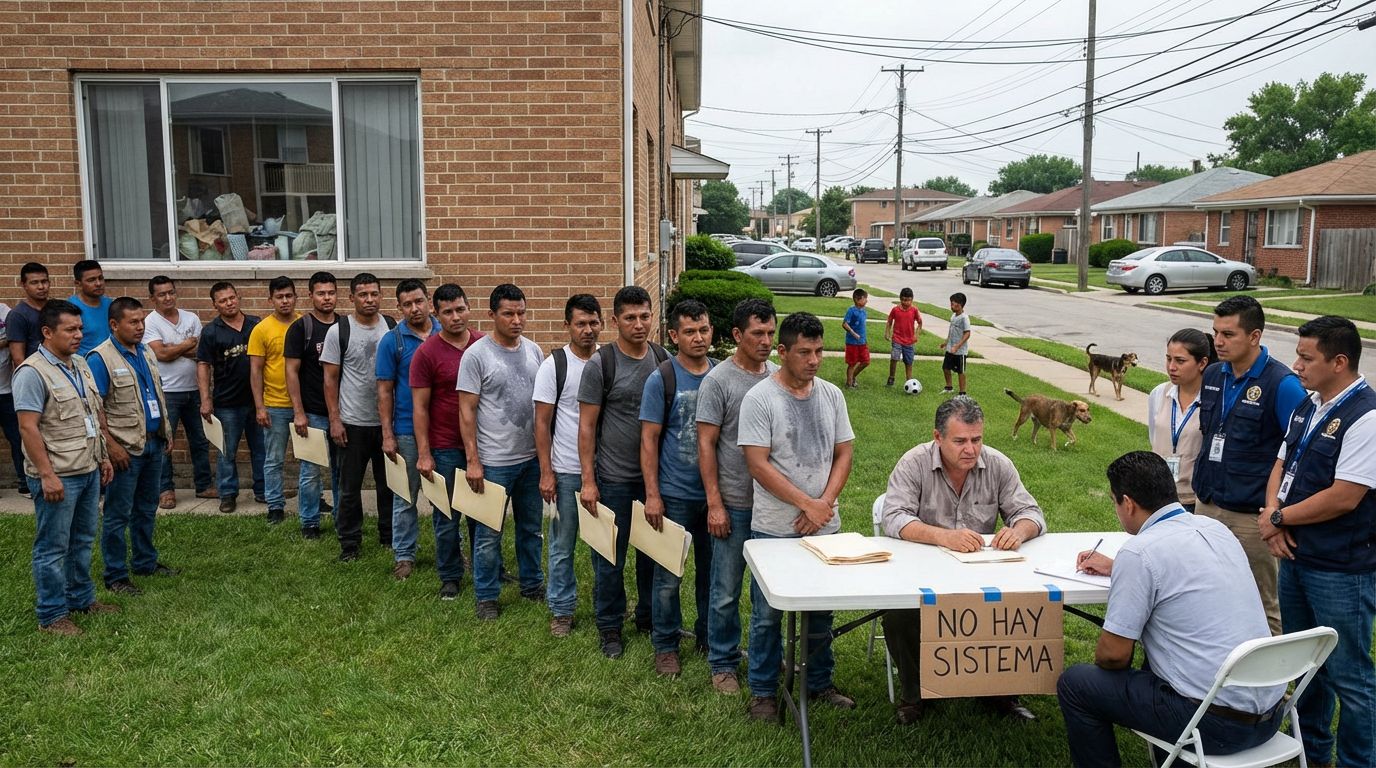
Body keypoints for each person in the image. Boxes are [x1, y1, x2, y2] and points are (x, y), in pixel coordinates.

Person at [1058, 451, 1284, 767]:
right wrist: (1119, 567)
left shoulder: (1139, 552)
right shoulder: (1215, 529)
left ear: (1128, 503)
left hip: (1214, 725)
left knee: (1076, 684)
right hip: (1271, 715)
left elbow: (1113, 656)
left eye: (1114, 502)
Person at [878, 396, 1046, 723]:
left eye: (976, 439)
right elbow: (894, 517)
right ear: (937, 437)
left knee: (1020, 604)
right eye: (960, 441)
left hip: (980, 573)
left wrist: (1019, 531)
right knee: (900, 616)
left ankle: (1001, 692)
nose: (970, 449)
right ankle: (915, 694)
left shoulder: (998, 464)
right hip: (921, 572)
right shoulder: (913, 463)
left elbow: (1030, 512)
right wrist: (943, 536)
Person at [1260, 316, 1376, 768]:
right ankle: (1312, 752)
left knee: (1350, 677)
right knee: (1307, 669)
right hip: (1296, 556)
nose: (1297, 366)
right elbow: (1280, 463)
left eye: (1307, 358)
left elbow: (1345, 496)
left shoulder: (1366, 417)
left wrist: (1278, 518)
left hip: (1340, 569)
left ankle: (1357, 761)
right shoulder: (1309, 405)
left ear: (1339, 362)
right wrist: (1274, 516)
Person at [738, 311, 855, 721]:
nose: (814, 360)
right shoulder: (760, 399)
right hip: (774, 528)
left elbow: (844, 452)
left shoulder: (832, 395)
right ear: (783, 351)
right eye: (805, 352)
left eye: (819, 351)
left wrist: (823, 504)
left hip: (824, 526)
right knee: (767, 614)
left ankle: (818, 682)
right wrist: (808, 504)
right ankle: (763, 692)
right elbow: (757, 464)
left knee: (821, 611)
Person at [1193, 295, 1307, 634]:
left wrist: (1278, 512)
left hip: (1251, 516)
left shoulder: (1282, 384)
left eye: (1228, 334)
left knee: (1261, 601)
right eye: (1216, 332)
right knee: (1207, 593)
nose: (1218, 341)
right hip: (1208, 503)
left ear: (1255, 336)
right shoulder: (1213, 374)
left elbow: (1300, 453)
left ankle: (1273, 668)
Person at [14, 300, 116, 635]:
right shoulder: (32, 372)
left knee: (83, 539)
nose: (78, 335)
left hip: (87, 467)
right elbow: (28, 427)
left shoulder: (80, 363)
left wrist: (103, 457)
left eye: (80, 329)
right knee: (53, 547)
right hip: (58, 475)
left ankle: (81, 599)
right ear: (47, 332)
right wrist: (47, 475)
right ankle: (52, 614)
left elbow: (93, 413)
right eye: (70, 330)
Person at [578, 286, 667, 658]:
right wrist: (588, 481)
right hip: (613, 479)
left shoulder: (662, 359)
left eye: (644, 316)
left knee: (652, 555)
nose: (639, 324)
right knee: (610, 559)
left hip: (653, 481)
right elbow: (586, 427)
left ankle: (648, 617)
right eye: (630, 318)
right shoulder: (602, 364)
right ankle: (610, 626)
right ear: (615, 320)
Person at [699, 298, 777, 694]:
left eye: (770, 333)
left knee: (769, 592)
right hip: (733, 504)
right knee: (725, 591)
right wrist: (715, 503)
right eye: (757, 333)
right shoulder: (719, 381)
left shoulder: (778, 376)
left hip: (773, 508)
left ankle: (767, 658)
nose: (765, 341)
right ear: (736, 335)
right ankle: (723, 662)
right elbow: (706, 445)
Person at [457, 283, 546, 619]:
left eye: (521, 313)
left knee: (531, 528)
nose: (516, 320)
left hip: (530, 460)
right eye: (508, 314)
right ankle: (486, 596)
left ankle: (532, 584)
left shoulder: (534, 351)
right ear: (492, 314)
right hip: (494, 462)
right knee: (488, 533)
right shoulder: (476, 356)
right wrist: (473, 460)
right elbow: (466, 411)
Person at [640, 299, 716, 677]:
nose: (698, 338)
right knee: (668, 578)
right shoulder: (662, 379)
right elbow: (648, 440)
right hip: (674, 495)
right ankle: (666, 645)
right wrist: (653, 495)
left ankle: (708, 636)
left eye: (703, 330)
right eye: (689, 331)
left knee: (712, 574)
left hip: (714, 498)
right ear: (673, 335)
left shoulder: (720, 376)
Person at [87, 297, 175, 596]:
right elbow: (96, 407)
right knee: (117, 514)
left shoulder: (146, 351)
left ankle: (145, 562)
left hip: (152, 444)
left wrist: (165, 431)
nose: (140, 327)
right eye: (133, 322)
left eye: (142, 321)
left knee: (146, 508)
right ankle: (115, 575)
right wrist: (111, 446)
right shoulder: (100, 358)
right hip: (125, 450)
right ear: (114, 324)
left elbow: (155, 394)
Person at [533, 293, 602, 636]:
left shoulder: (607, 361)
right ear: (567, 325)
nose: (588, 330)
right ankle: (561, 609)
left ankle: (607, 607)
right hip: (566, 470)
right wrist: (547, 472)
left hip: (606, 471)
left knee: (604, 545)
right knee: (562, 545)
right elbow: (541, 423)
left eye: (593, 323)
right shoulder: (554, 365)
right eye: (580, 324)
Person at [411, 283, 485, 599]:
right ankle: (450, 576)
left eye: (460, 309)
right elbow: (419, 408)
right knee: (446, 517)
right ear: (436, 314)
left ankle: (485, 569)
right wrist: (424, 453)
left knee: (481, 515)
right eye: (448, 312)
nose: (456, 317)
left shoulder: (483, 345)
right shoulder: (426, 353)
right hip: (444, 447)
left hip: (482, 446)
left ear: (469, 308)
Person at [322, 273, 395, 561]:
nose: (369, 300)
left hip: (386, 424)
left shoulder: (392, 327)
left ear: (381, 296)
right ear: (352, 297)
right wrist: (335, 420)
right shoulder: (338, 331)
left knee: (388, 486)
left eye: (374, 294)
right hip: (352, 423)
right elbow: (330, 380)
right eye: (363, 295)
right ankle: (349, 543)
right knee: (349, 489)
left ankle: (389, 537)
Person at [377, 279, 436, 580]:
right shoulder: (392, 341)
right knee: (405, 497)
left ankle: (452, 551)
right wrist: (387, 435)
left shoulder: (445, 332)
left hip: (443, 432)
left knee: (447, 498)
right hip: (406, 431)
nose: (415, 308)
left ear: (429, 301)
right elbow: (384, 391)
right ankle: (404, 555)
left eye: (419, 301)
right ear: (399, 307)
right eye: (407, 304)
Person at [142, 275, 214, 509]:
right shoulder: (150, 322)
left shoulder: (191, 318)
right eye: (162, 294)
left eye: (171, 292)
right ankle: (165, 490)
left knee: (200, 440)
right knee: (165, 442)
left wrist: (174, 348)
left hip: (194, 389)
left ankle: (204, 485)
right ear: (152, 298)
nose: (168, 297)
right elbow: (160, 354)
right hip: (166, 391)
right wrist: (186, 344)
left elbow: (202, 353)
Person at [196, 282, 265, 514]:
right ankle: (227, 494)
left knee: (261, 448)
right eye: (223, 300)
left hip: (258, 401)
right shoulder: (211, 331)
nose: (229, 303)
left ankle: (263, 490)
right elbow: (203, 365)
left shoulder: (256, 324)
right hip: (227, 403)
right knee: (226, 450)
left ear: (238, 297)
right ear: (215, 305)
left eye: (232, 298)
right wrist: (206, 399)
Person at [284, 271, 341, 539]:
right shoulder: (301, 328)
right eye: (321, 293)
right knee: (310, 471)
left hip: (342, 413)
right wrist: (298, 412)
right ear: (311, 296)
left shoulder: (345, 326)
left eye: (331, 293)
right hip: (312, 412)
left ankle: (343, 519)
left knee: (342, 470)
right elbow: (291, 372)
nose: (326, 298)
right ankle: (309, 522)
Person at [248, 276, 300, 526]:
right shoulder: (262, 329)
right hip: (275, 404)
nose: (285, 301)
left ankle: (313, 498)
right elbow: (255, 370)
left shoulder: (303, 324)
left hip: (304, 405)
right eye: (279, 297)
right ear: (271, 300)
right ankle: (275, 505)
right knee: (274, 459)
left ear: (295, 297)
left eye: (289, 296)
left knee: (311, 458)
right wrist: (260, 407)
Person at [1146, 329, 1214, 512]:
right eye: (1169, 359)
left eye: (1180, 361)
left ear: (1202, 363)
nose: (1171, 367)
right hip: (1159, 498)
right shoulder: (1159, 394)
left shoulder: (1212, 400)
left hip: (1196, 501)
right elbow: (1154, 437)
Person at [0, 296, 24, 498]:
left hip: (7, 390)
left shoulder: (4, 311)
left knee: (17, 438)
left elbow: (14, 336)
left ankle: (25, 482)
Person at [8, 262, 50, 363]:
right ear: (24, 285)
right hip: (35, 369)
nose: (41, 287)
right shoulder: (18, 315)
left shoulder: (56, 308)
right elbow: (18, 358)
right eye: (34, 283)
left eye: (44, 281)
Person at [70, 260, 113, 356]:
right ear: (78, 283)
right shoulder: (70, 309)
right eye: (91, 280)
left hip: (110, 361)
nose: (98, 283)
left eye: (100, 278)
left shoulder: (110, 304)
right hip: (85, 362)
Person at [885, 287, 922, 387]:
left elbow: (920, 323)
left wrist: (916, 335)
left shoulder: (914, 310)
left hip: (909, 341)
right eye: (904, 300)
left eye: (908, 300)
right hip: (897, 339)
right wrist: (887, 332)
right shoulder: (895, 310)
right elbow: (889, 321)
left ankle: (909, 381)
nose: (906, 302)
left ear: (912, 299)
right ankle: (891, 378)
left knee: (908, 361)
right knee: (894, 358)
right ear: (900, 299)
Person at [940, 291, 971, 395]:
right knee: (945, 368)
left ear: (960, 304)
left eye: (953, 304)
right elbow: (951, 331)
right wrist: (946, 342)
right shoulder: (953, 316)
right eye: (951, 303)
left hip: (960, 351)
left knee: (960, 371)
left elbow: (967, 333)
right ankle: (949, 387)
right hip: (950, 349)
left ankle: (962, 393)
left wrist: (957, 346)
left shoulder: (964, 318)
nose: (951, 306)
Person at [842, 288, 869, 388]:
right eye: (865, 298)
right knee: (852, 363)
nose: (866, 300)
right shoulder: (851, 311)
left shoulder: (864, 311)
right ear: (857, 300)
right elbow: (844, 324)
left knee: (866, 361)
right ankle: (849, 384)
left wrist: (864, 339)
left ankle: (853, 376)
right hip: (852, 342)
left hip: (862, 342)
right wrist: (853, 333)